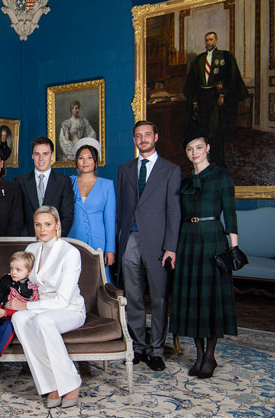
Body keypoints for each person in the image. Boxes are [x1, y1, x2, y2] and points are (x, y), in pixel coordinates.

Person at [170, 128, 240, 379]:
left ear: (207, 148)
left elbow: (230, 215)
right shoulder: (185, 181)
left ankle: (210, 356)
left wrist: (233, 249)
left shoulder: (222, 177)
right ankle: (199, 354)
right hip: (188, 241)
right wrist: (174, 248)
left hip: (213, 239)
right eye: (189, 149)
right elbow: (176, 218)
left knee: (210, 300)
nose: (194, 153)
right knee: (194, 300)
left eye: (198, 147)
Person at [116, 120, 181, 371]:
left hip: (158, 242)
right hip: (130, 239)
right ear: (134, 140)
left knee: (159, 297)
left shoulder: (171, 170)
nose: (142, 139)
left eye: (147, 134)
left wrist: (171, 247)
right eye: (138, 136)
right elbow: (122, 209)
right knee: (132, 296)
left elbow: (174, 212)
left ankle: (156, 350)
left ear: (156, 136)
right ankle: (138, 347)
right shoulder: (124, 169)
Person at [9, 206, 86, 409]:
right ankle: (51, 383)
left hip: (69, 308)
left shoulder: (70, 252)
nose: (42, 229)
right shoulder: (31, 249)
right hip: (39, 305)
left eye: (48, 224)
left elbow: (62, 300)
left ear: (57, 225)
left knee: (42, 321)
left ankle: (71, 383)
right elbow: (24, 282)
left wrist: (26, 305)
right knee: (18, 318)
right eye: (38, 224)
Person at [183, 31, 249, 167]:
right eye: (206, 40)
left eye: (211, 40)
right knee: (204, 129)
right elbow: (193, 83)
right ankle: (205, 160)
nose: (208, 42)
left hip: (216, 97)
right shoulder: (199, 60)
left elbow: (231, 78)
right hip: (202, 98)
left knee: (217, 130)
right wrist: (195, 100)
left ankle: (219, 161)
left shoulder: (225, 57)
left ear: (216, 40)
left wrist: (223, 94)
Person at [0, 251, 38, 378]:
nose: (13, 272)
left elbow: (30, 309)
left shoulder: (32, 286)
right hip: (0, 311)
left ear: (29, 271)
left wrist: (7, 312)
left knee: (10, 325)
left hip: (14, 316)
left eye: (18, 270)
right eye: (12, 268)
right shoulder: (6, 279)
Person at [68, 137, 116, 282]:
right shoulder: (69, 182)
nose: (85, 161)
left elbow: (110, 220)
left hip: (98, 241)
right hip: (73, 239)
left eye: (89, 157)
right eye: (81, 158)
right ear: (76, 162)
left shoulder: (107, 185)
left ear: (96, 161)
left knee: (99, 281)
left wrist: (110, 249)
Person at [16, 137, 75, 237]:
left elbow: (67, 216)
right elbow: (17, 216)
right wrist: (26, 238)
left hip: (55, 241)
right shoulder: (20, 181)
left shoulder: (64, 181)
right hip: (28, 240)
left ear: (52, 155)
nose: (41, 158)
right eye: (37, 154)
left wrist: (55, 238)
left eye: (45, 154)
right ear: (32, 156)